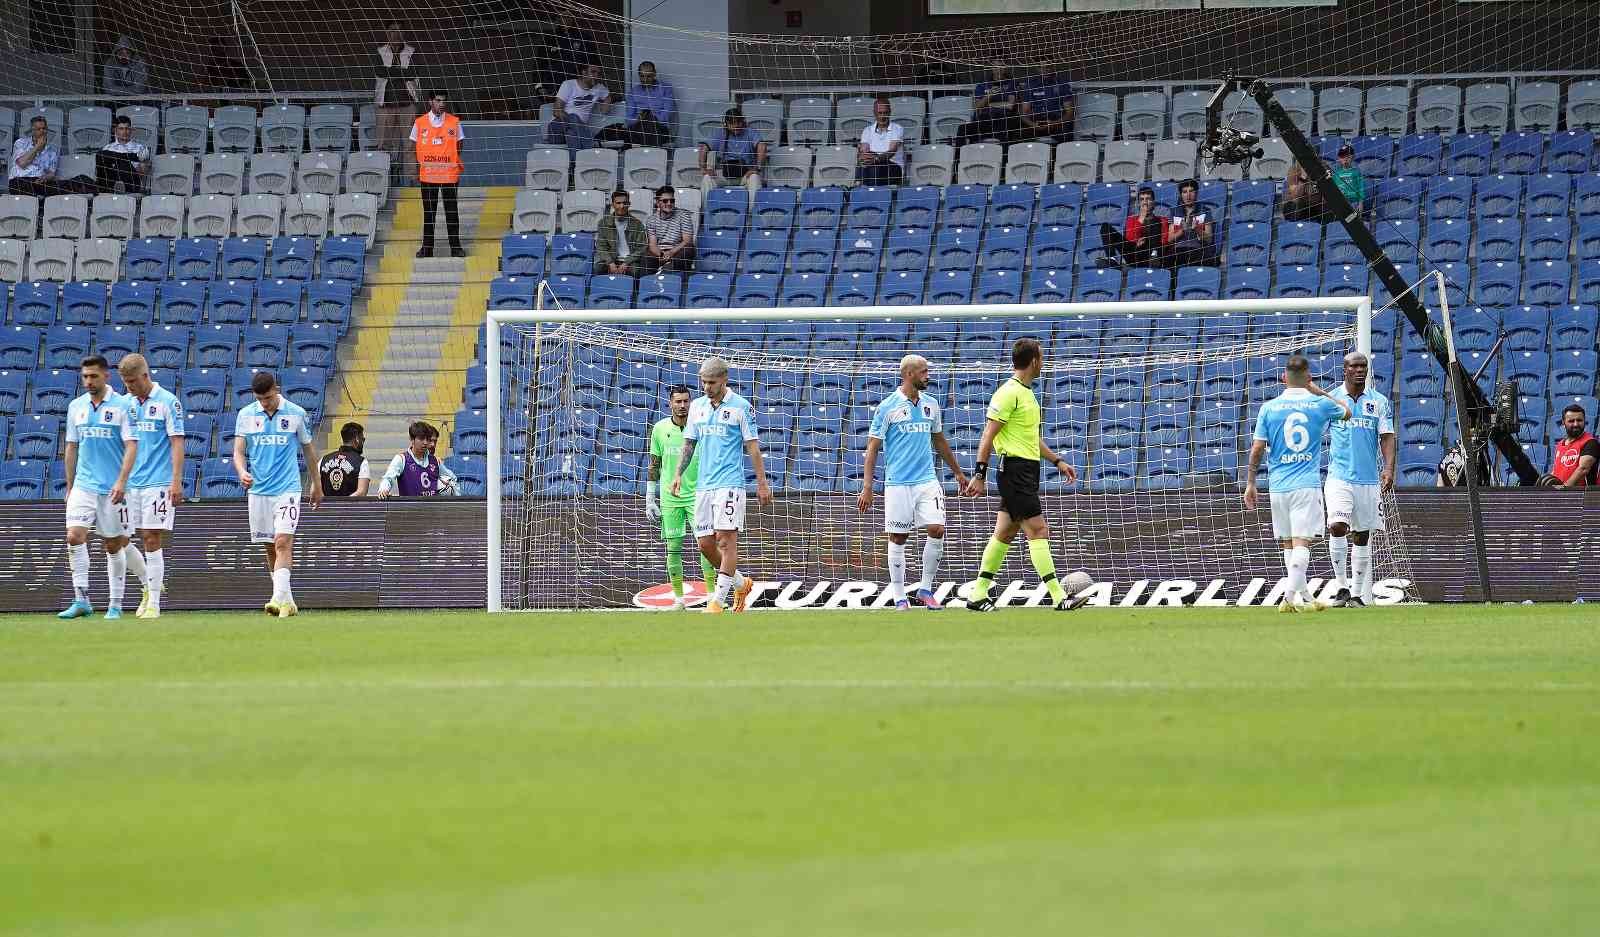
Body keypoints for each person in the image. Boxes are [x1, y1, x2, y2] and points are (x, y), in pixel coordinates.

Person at [959, 338, 1083, 612]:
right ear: (1035, 361)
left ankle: (978, 594)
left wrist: (1057, 460)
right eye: (1042, 357)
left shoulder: (1027, 393)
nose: (1044, 363)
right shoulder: (1008, 393)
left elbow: (1030, 438)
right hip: (1014, 470)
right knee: (1038, 530)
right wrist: (979, 474)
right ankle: (1058, 596)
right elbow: (988, 435)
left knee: (1004, 532)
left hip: (1027, 469)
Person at [857, 355, 970, 610]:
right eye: (923, 372)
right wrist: (867, 487)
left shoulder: (931, 404)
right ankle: (899, 597)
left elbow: (939, 441)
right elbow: (872, 448)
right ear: (909, 374)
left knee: (937, 528)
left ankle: (925, 589)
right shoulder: (887, 407)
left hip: (927, 480)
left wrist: (958, 473)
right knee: (898, 537)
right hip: (898, 483)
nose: (927, 376)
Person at [1243, 355, 1352, 613]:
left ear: (1283, 377)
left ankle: (1305, 597)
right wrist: (1318, 391)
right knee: (1302, 543)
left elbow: (1257, 448)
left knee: (1289, 544)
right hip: (1306, 485)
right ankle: (1289, 598)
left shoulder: (1268, 408)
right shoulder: (1319, 404)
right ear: (1308, 377)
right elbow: (1347, 412)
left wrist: (1250, 483)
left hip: (1277, 487)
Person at [669, 356, 773, 614]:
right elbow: (689, 442)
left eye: (711, 382)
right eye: (703, 382)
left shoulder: (741, 407)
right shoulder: (697, 407)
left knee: (726, 542)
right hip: (704, 485)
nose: (706, 387)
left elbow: (752, 447)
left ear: (724, 379)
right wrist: (678, 474)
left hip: (730, 483)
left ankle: (717, 600)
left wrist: (762, 484)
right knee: (705, 544)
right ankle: (740, 584)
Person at [232, 370, 323, 619]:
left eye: (269, 397)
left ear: (277, 389)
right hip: (259, 491)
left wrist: (316, 484)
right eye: (261, 399)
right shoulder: (245, 415)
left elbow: (309, 451)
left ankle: (275, 598)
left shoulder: (296, 413)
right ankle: (288, 602)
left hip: (288, 489)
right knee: (270, 547)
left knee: (283, 542)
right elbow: (238, 452)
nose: (266, 403)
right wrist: (241, 471)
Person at [57, 355, 141, 620]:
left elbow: (131, 446)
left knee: (113, 545)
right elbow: (71, 447)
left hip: (113, 488)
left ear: (106, 376)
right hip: (84, 484)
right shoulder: (76, 407)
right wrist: (70, 486)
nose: (88, 381)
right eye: (85, 377)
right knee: (74, 536)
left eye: (93, 376)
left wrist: (121, 481)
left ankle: (115, 604)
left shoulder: (123, 406)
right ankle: (81, 599)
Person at [1324, 352, 1396, 608]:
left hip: (1368, 480)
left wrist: (1388, 468)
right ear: (1345, 369)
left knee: (1362, 535)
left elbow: (1387, 436)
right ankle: (1341, 586)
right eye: (1354, 366)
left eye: (1363, 366)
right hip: (1339, 476)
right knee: (1337, 526)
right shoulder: (1332, 400)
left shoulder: (1379, 402)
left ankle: (1356, 595)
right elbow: (1315, 431)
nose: (1359, 370)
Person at [117, 354, 183, 619]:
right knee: (118, 540)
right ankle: (147, 584)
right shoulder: (123, 404)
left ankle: (154, 602)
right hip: (129, 482)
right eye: (126, 382)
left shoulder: (168, 402)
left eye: (133, 381)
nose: (130, 387)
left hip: (158, 481)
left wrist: (176, 481)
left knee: (150, 537)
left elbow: (177, 441)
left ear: (145, 376)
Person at [646, 385, 717, 610]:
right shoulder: (659, 429)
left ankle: (713, 596)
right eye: (678, 402)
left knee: (706, 546)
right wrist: (650, 497)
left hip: (698, 497)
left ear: (691, 403)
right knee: (673, 547)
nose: (683, 406)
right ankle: (678, 599)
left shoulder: (700, 428)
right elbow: (654, 464)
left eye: (686, 401)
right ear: (670, 404)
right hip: (671, 498)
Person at [411, 90, 465, 258]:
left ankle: (455, 247)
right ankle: (427, 249)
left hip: (449, 174)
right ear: (430, 102)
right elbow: (414, 146)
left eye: (444, 101)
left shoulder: (454, 122)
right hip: (428, 175)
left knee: (452, 211)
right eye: (438, 100)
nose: (441, 103)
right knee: (429, 213)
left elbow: (459, 144)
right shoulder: (419, 123)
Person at [374, 23, 419, 186]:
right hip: (385, 104)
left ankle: (412, 180)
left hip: (407, 103)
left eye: (399, 30)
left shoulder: (412, 51)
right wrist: (401, 72)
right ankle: (383, 180)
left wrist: (392, 71)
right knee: (384, 143)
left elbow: (413, 73)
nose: (396, 33)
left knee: (409, 143)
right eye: (392, 30)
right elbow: (379, 71)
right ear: (387, 32)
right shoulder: (379, 51)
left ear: (403, 32)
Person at [597, 61, 675, 149]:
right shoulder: (633, 92)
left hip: (660, 129)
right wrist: (638, 119)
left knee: (648, 120)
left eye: (648, 76)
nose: (645, 80)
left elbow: (666, 115)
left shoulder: (666, 89)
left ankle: (645, 154)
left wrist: (650, 117)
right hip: (638, 128)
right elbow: (629, 119)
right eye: (642, 76)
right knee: (612, 130)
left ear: (654, 74)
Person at [543, 62, 612, 154]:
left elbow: (608, 97)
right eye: (593, 72)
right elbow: (556, 111)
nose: (596, 76)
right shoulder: (569, 85)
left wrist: (606, 104)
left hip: (577, 131)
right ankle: (590, 150)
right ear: (584, 72)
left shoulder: (599, 88)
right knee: (573, 117)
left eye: (599, 73)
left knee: (572, 134)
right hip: (557, 128)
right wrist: (574, 121)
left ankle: (574, 166)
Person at [698, 108, 766, 200]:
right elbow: (704, 148)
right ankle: (706, 212)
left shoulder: (750, 132)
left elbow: (762, 146)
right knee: (707, 178)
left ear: (742, 121)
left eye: (738, 122)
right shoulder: (720, 133)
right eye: (732, 123)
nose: (736, 125)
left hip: (746, 174)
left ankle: (751, 212)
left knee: (755, 178)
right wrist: (703, 169)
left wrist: (757, 168)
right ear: (726, 124)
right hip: (725, 173)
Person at [376, 421, 459, 497]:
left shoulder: (435, 461)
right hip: (409, 510)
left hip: (433, 510)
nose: (425, 442)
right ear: (412, 439)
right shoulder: (401, 459)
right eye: (421, 438)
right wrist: (384, 489)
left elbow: (453, 478)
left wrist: (453, 491)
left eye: (427, 439)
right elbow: (388, 478)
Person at [954, 65, 1022, 148]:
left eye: (1001, 66)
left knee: (1006, 129)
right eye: (995, 67)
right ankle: (958, 159)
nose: (998, 70)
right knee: (962, 129)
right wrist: (989, 95)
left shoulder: (1012, 84)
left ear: (1006, 68)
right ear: (991, 68)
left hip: (1003, 120)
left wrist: (988, 104)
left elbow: (1010, 105)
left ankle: (1005, 159)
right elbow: (976, 106)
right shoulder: (983, 85)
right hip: (985, 121)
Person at [1099, 186, 1164, 268]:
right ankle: (1112, 258)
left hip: (1150, 255)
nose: (1145, 202)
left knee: (1155, 222)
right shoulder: (1131, 219)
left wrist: (1147, 240)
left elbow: (1164, 241)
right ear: (1139, 203)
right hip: (1134, 253)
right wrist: (1141, 218)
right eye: (1142, 199)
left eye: (1148, 199)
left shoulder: (1161, 220)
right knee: (1105, 227)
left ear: (1153, 202)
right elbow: (1130, 238)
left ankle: (1154, 256)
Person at [1163, 178, 1218, 269]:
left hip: (1198, 250)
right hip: (1179, 250)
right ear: (1181, 194)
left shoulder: (1205, 211)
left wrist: (1197, 229)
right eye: (1184, 192)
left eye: (1191, 191)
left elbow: (1209, 239)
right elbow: (1170, 238)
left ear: (1196, 193)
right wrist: (1182, 231)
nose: (1188, 196)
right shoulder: (1175, 211)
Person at [643, 184, 695, 274]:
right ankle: (645, 284)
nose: (669, 203)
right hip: (660, 253)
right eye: (665, 201)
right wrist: (662, 254)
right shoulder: (651, 220)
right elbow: (652, 245)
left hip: (677, 252)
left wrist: (671, 252)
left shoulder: (684, 215)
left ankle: (667, 270)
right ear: (658, 202)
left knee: (689, 248)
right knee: (646, 254)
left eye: (672, 200)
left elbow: (687, 241)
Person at [594, 189, 647, 276]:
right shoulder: (603, 223)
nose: (622, 206)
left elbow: (641, 248)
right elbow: (601, 246)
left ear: (629, 204)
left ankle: (633, 289)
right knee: (597, 268)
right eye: (618, 203)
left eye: (624, 203)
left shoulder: (637, 224)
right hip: (611, 259)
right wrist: (610, 263)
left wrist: (626, 263)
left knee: (635, 271)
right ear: (613, 204)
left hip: (630, 261)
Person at [856, 98, 907, 187]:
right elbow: (864, 151)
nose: (883, 117)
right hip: (873, 165)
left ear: (890, 112)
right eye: (880, 113)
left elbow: (892, 151)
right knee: (865, 162)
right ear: (874, 113)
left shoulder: (897, 128)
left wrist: (876, 159)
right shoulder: (867, 130)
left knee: (874, 166)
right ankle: (861, 187)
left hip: (893, 168)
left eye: (885, 113)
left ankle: (868, 191)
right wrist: (863, 156)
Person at [1547, 403, 1598, 487]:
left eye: (1579, 420)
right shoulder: (1560, 445)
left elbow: (1583, 469)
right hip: (1562, 495)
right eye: (1571, 421)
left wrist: (1563, 489)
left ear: (1584, 421)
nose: (1576, 424)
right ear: (1563, 423)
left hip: (1582, 496)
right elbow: (1556, 471)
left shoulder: (1591, 442)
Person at [97, 115, 150, 194]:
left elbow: (143, 172)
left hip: (131, 182)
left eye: (127, 129)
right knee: (102, 155)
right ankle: (112, 187)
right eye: (121, 129)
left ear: (131, 130)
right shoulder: (107, 148)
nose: (125, 132)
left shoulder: (141, 148)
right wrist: (132, 157)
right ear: (115, 130)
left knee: (123, 163)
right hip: (110, 181)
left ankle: (120, 186)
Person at [1019, 66, 1074, 141]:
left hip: (1057, 120)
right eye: (1041, 67)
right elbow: (1024, 113)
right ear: (1037, 68)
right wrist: (1033, 125)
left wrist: (1054, 123)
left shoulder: (1062, 84)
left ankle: (1060, 151)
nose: (1044, 70)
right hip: (1036, 120)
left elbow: (1069, 113)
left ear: (1053, 66)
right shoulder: (1030, 85)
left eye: (1047, 66)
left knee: (1066, 131)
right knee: (1021, 134)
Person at [10, 115, 59, 198]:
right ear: (32, 130)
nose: (42, 131)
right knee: (28, 189)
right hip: (20, 181)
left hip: (39, 182)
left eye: (44, 128)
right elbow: (22, 163)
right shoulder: (20, 143)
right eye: (38, 129)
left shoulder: (52, 150)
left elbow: (51, 173)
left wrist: (45, 177)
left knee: (70, 184)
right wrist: (37, 147)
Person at [318, 421, 371, 497]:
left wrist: (329, 504)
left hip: (326, 507)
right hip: (350, 508)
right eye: (363, 439)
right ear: (357, 439)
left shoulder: (323, 459)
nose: (363, 443)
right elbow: (362, 492)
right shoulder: (362, 462)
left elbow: (315, 490)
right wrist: (342, 505)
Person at [1330, 142, 1366, 214]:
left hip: (1354, 204)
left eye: (1348, 156)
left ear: (1353, 157)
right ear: (1339, 158)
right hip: (1340, 204)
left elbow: (1361, 189)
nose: (1345, 159)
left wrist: (1360, 203)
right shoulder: (1336, 173)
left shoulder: (1357, 173)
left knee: (1353, 221)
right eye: (1342, 156)